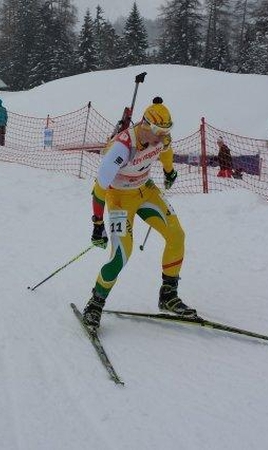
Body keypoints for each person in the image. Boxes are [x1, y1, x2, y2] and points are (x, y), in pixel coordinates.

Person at [82, 97, 196, 331]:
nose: (162, 137)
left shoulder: (162, 139)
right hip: (119, 198)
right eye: (158, 132)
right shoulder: (122, 147)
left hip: (146, 190)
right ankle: (95, 304)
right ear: (145, 126)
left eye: (167, 131)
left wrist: (169, 171)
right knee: (121, 255)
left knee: (177, 235)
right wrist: (97, 224)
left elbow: (166, 150)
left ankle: (168, 295)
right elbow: (99, 187)